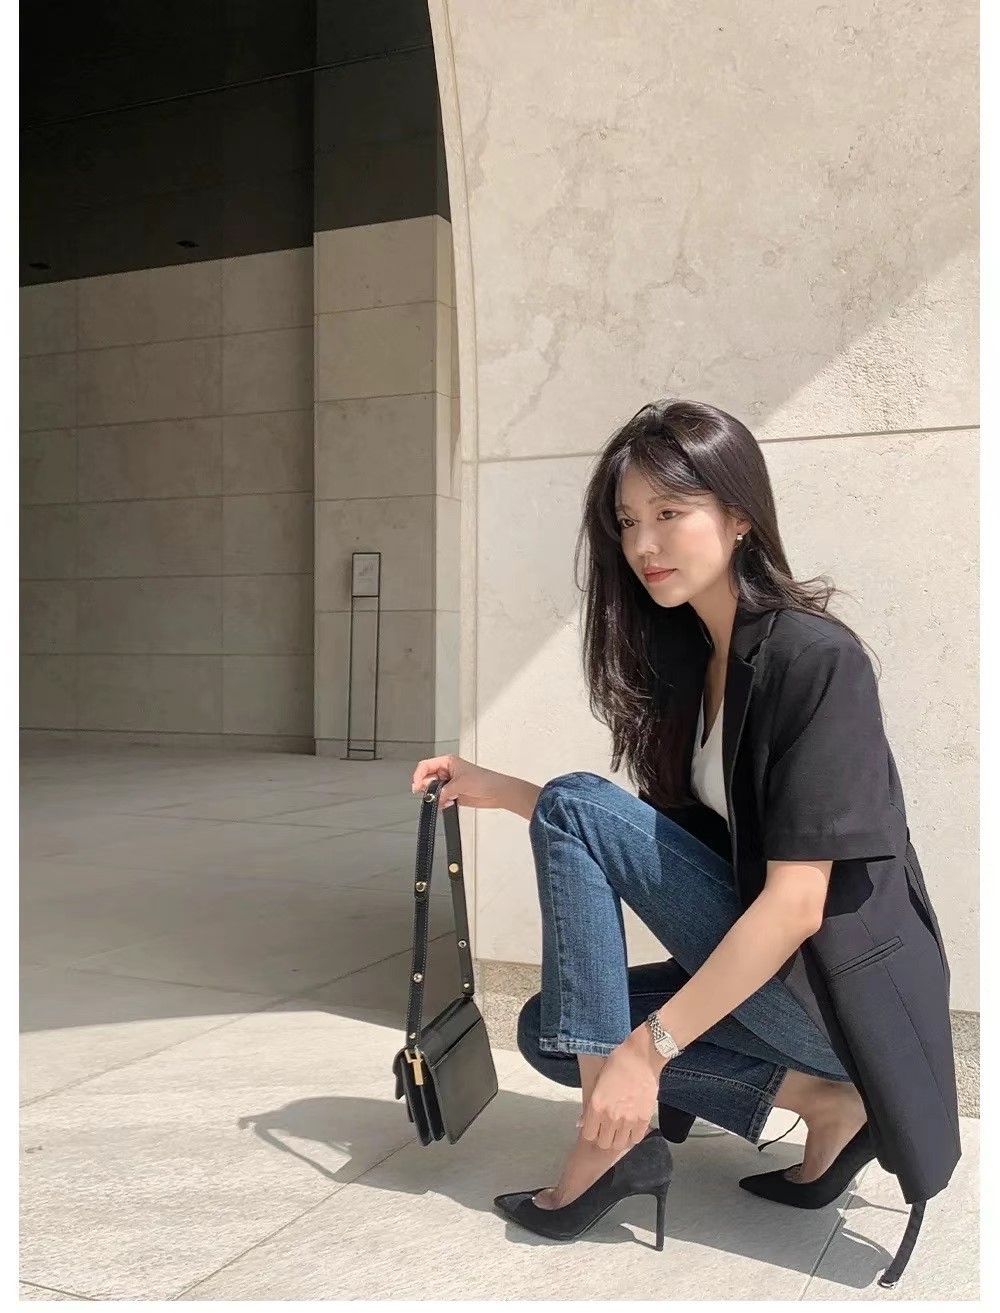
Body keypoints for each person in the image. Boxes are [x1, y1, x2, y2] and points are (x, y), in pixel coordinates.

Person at [410, 399, 959, 1287]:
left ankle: (607, 1147)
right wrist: (501, 789)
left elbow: (798, 904)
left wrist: (647, 1050)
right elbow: (644, 844)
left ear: (740, 516)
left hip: (836, 1000)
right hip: (777, 984)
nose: (644, 542)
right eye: (628, 520)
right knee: (551, 1027)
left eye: (670, 511)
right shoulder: (693, 664)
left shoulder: (816, 660)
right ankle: (827, 1107)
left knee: (605, 1029)